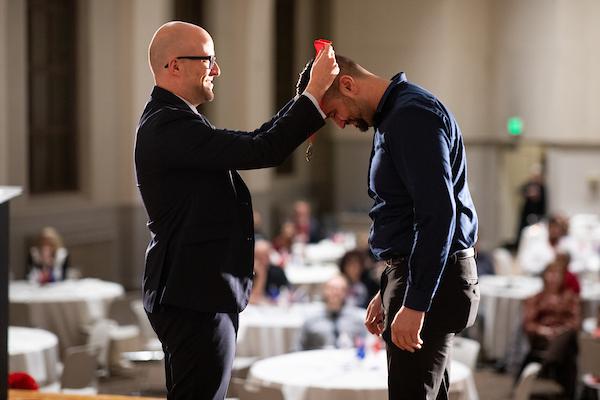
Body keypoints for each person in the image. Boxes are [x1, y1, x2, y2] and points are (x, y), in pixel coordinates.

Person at [134, 21, 338, 399]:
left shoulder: (174, 119)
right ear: (174, 66)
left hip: (192, 290)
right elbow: (262, 149)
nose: (217, 69)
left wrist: (305, 101)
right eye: (208, 59)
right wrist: (313, 94)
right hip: (195, 293)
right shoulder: (169, 126)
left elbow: (259, 140)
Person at [297, 56, 479, 399]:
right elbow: (408, 214)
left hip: (430, 282)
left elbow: (438, 215)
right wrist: (389, 287)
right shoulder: (396, 116)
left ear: (348, 85)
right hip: (418, 274)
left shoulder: (410, 115)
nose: (338, 123)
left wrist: (415, 301)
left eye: (333, 111)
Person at [519, 261, 581, 398]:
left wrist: (560, 332)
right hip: (543, 339)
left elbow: (575, 323)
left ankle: (550, 360)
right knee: (567, 348)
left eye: (557, 274)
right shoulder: (537, 297)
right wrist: (542, 330)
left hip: (563, 337)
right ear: (545, 276)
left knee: (568, 337)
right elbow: (528, 323)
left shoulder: (570, 297)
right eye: (551, 273)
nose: (553, 278)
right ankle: (552, 360)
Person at [297, 275, 367, 350]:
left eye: (340, 289)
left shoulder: (357, 319)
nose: (335, 292)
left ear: (346, 293)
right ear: (324, 291)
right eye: (331, 289)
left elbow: (366, 344)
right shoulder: (311, 319)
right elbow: (298, 347)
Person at [249, 240, 289, 304]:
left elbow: (287, 293)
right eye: (258, 257)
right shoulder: (248, 275)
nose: (263, 260)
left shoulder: (277, 272)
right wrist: (261, 276)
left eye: (265, 256)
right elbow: (252, 299)